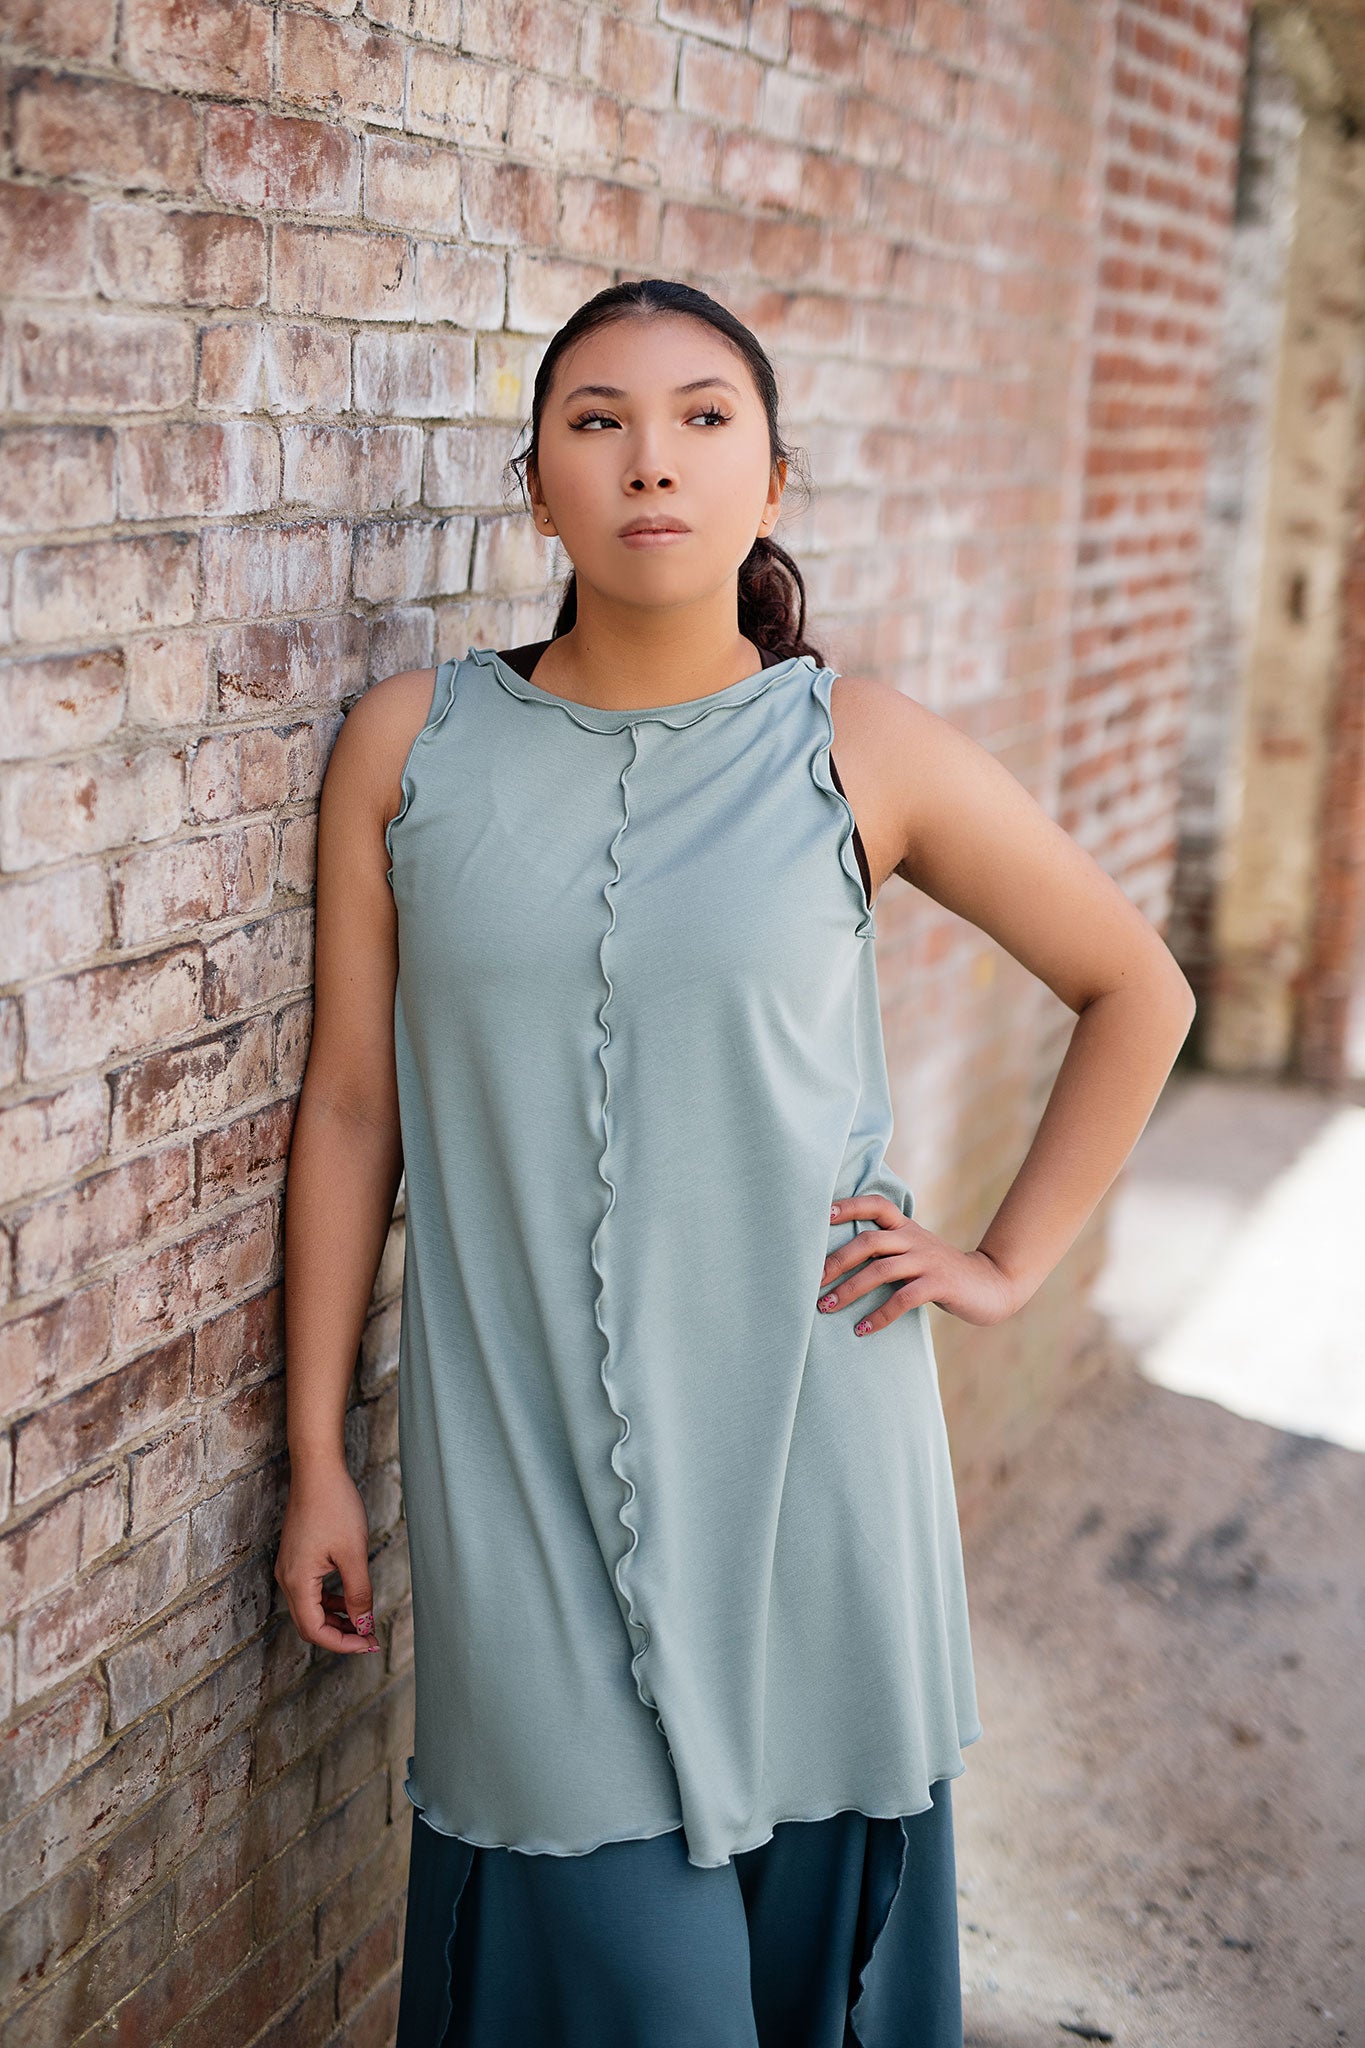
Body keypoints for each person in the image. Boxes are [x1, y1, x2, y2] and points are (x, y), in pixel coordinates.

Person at [273, 277, 1196, 2045]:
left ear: (771, 484)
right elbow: (349, 1113)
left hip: (814, 1469)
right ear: (535, 487)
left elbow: (1132, 985)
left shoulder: (857, 746)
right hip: (519, 1477)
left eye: (705, 419)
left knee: (800, 1989)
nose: (650, 461)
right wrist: (317, 1453)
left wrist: (999, 1263)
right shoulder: (411, 748)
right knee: (616, 1983)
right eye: (596, 421)